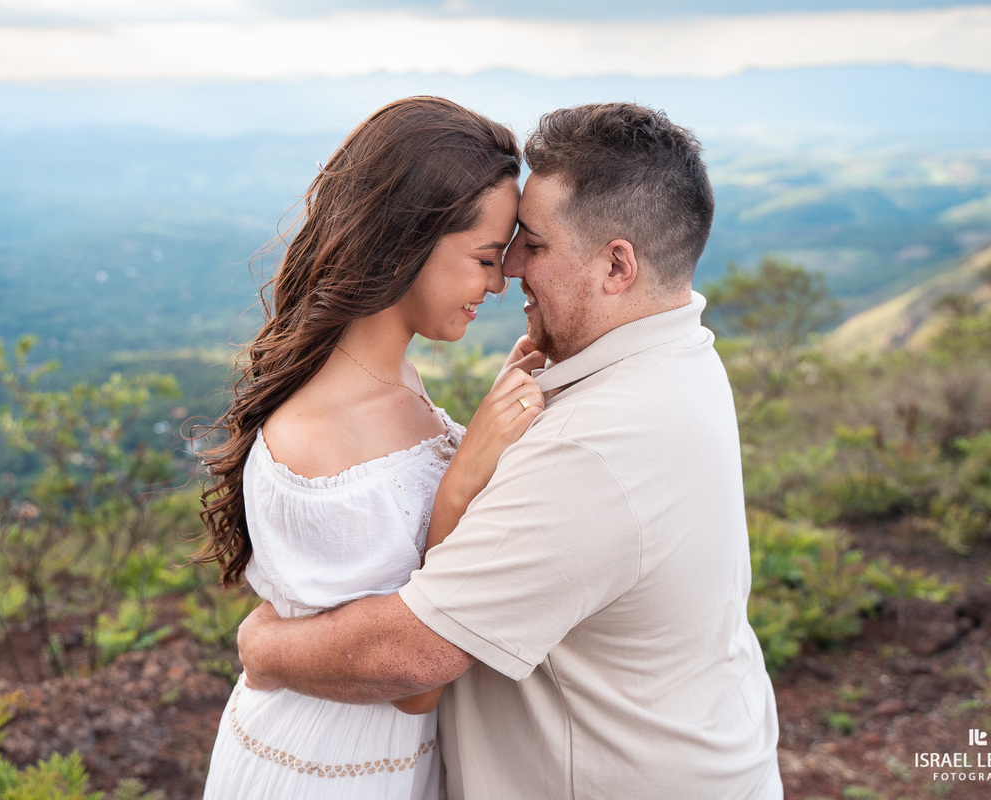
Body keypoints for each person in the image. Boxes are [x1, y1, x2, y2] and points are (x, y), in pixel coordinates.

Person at [235, 102, 784, 798]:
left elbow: (412, 655)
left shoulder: (593, 448)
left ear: (617, 265)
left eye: (535, 245)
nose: (511, 269)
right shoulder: (682, 358)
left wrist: (265, 648)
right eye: (498, 250)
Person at [194, 96, 545, 799]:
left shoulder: (394, 379)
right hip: (323, 770)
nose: (498, 283)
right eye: (484, 258)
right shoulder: (319, 439)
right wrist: (465, 473)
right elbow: (413, 686)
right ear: (406, 241)